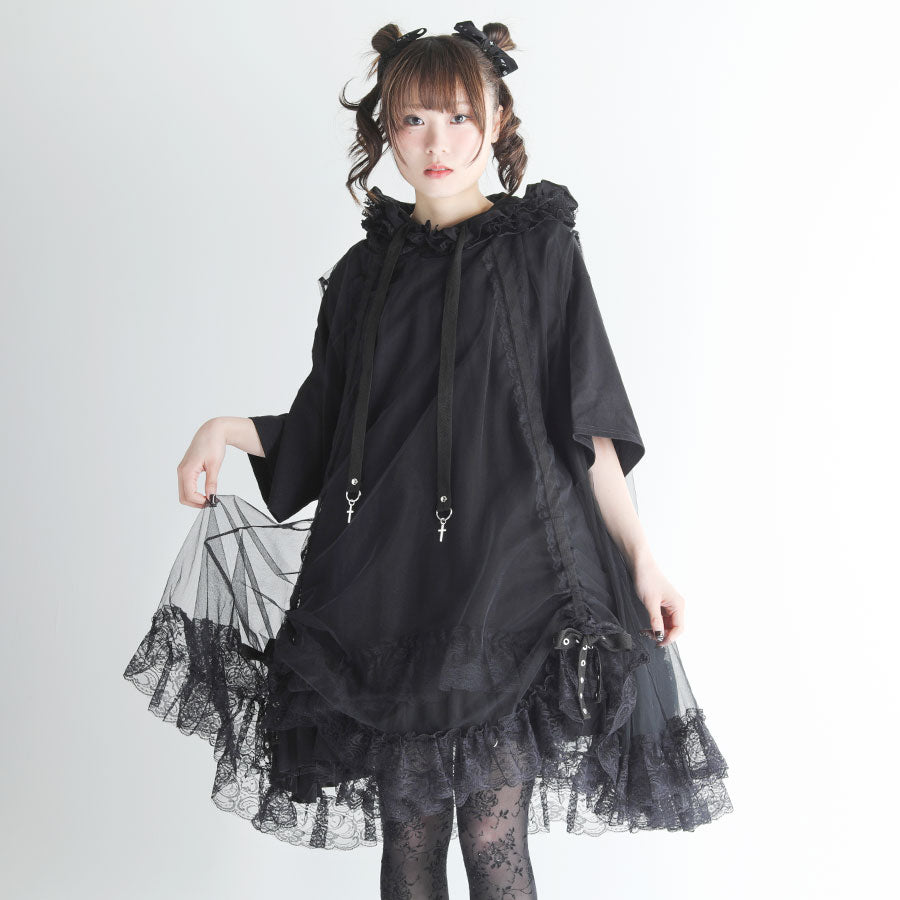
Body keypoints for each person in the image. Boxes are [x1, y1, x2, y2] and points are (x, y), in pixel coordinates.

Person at [124, 20, 733, 898]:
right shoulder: (363, 275)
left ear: (496, 121)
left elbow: (591, 426)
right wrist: (222, 428)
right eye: (414, 120)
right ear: (387, 131)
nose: (437, 144)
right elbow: (329, 429)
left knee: (493, 836)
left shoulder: (541, 252)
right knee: (408, 845)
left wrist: (643, 559)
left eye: (457, 118)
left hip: (516, 581)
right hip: (394, 588)